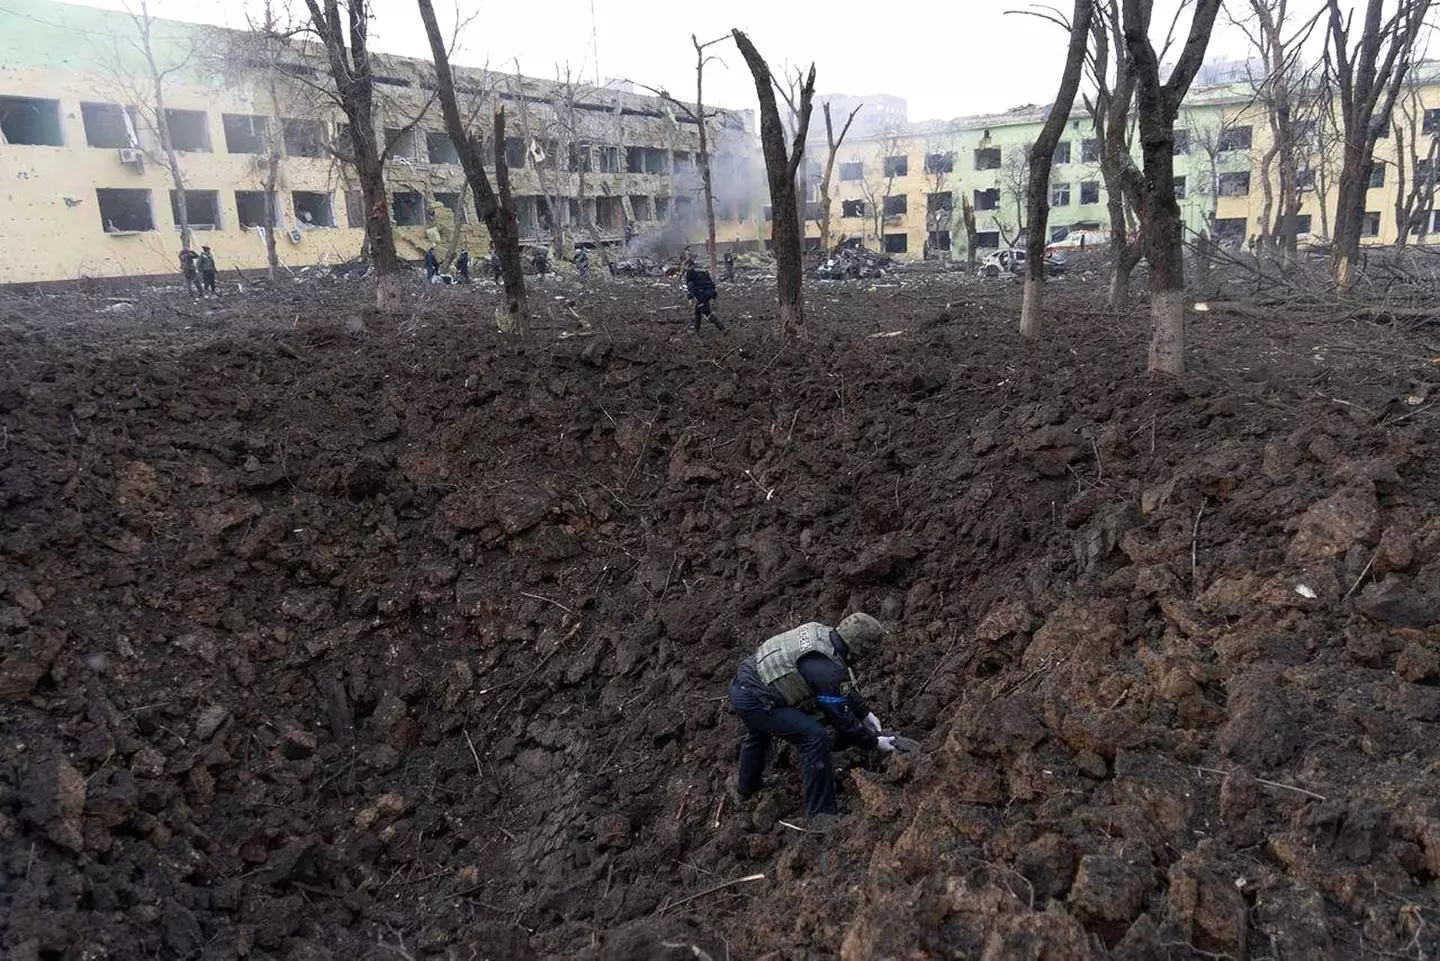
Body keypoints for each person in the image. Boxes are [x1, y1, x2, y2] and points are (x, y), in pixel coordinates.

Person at [728, 613, 892, 829]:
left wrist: (864, 713)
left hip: (747, 680)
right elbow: (840, 716)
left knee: (758, 734)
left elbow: (839, 687)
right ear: (859, 648)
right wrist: (873, 742)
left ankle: (747, 788)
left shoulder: (823, 635)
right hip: (755, 698)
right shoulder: (825, 669)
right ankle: (820, 815)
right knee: (813, 737)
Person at [683, 261, 724, 333]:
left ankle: (722, 328)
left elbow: (690, 285)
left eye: (685, 266)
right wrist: (714, 296)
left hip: (701, 294)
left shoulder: (690, 271)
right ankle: (696, 330)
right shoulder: (704, 270)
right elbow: (711, 283)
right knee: (697, 311)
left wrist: (690, 298)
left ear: (688, 265)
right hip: (709, 292)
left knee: (706, 312)